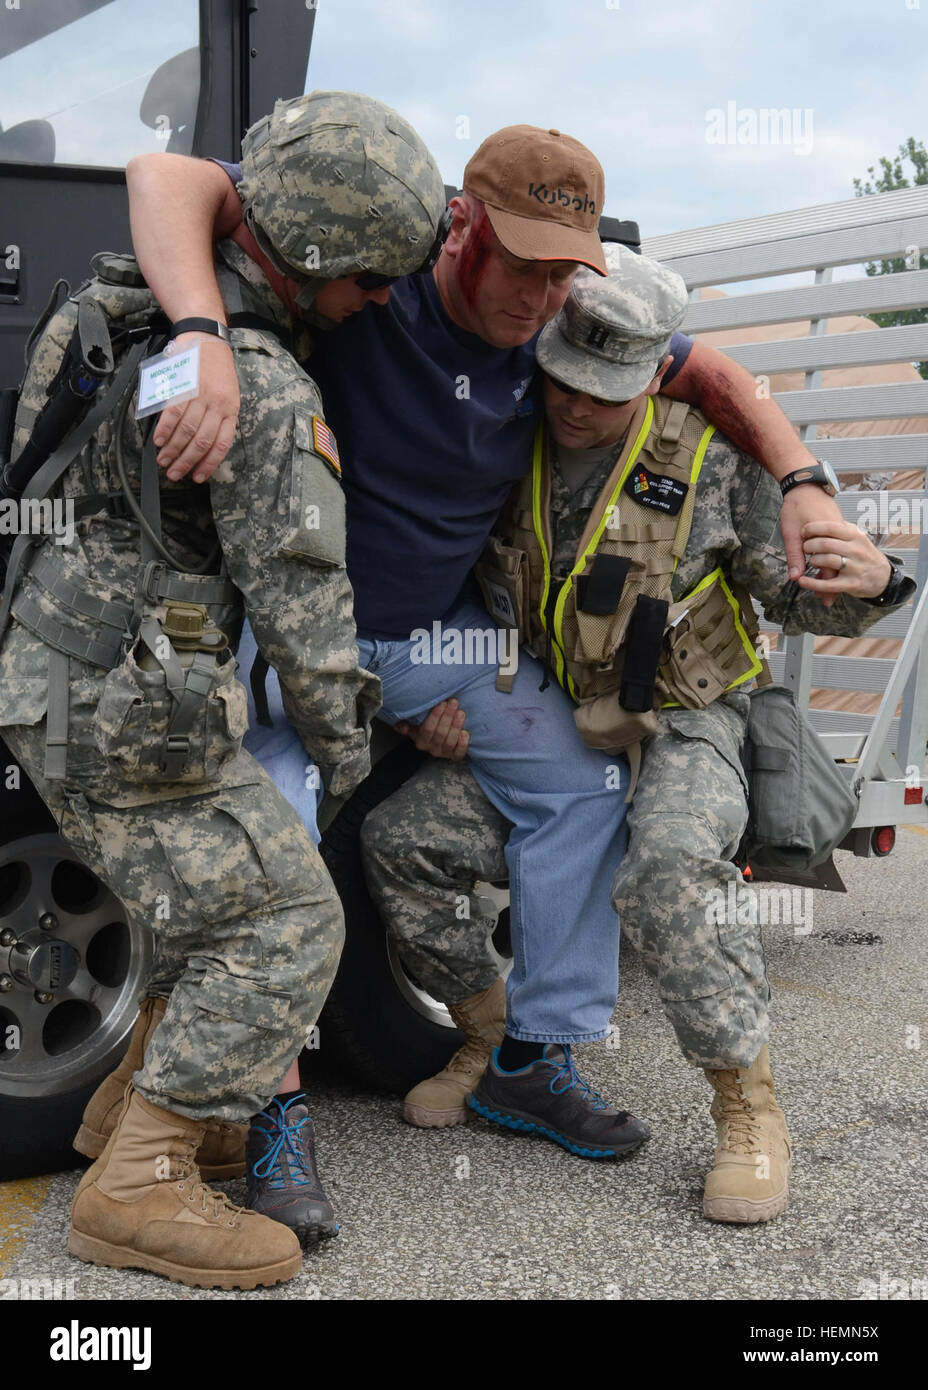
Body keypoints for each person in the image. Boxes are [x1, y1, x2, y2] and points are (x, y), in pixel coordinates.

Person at [123, 120, 852, 1150]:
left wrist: (803, 480)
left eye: (563, 276)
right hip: (295, 633)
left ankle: (528, 1056)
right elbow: (164, 173)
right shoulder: (382, 275)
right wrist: (197, 331)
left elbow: (710, 375)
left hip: (433, 642)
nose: (538, 298)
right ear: (458, 226)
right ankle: (267, 1112)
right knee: (269, 839)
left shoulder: (567, 339)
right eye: (520, 266)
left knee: (580, 780)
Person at [360, 250, 915, 1218]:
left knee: (665, 866)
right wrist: (434, 699)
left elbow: (798, 595)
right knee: (401, 841)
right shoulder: (506, 435)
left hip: (687, 719)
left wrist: (869, 584)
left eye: (602, 391)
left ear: (655, 374)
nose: (573, 404)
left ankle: (747, 1108)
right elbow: (459, 581)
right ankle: (501, 1046)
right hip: (555, 716)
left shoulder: (711, 457)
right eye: (563, 376)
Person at [0, 90, 447, 1287]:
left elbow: (174, 177)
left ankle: (116, 1121)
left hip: (55, 671)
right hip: (121, 714)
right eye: (367, 277)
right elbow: (309, 637)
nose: (379, 301)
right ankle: (137, 1185)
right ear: (305, 261)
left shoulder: (132, 303)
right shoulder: (265, 393)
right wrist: (352, 759)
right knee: (291, 917)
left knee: (213, 898)